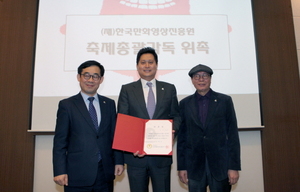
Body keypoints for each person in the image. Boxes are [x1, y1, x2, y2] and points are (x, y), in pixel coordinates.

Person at [53, 60, 124, 192]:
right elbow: (60, 142)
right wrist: (59, 170)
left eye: (95, 76)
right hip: (76, 174)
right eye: (86, 75)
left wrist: (119, 161)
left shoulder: (108, 104)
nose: (91, 80)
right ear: (78, 77)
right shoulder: (67, 105)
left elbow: (114, 135)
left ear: (101, 79)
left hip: (105, 173)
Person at [117, 47, 180, 192]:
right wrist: (132, 145)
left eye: (150, 62)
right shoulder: (127, 89)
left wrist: (172, 132)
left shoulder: (169, 89)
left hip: (161, 158)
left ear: (156, 65)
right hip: (136, 157)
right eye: (143, 62)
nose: (147, 66)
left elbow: (176, 116)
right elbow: (123, 120)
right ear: (137, 66)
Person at [177, 64, 241, 192]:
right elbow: (182, 138)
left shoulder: (225, 101)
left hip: (220, 166)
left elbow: (233, 135)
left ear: (210, 79)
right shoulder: (184, 104)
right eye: (197, 77)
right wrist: (182, 167)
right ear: (192, 80)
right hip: (194, 166)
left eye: (205, 76)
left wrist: (234, 167)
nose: (201, 79)